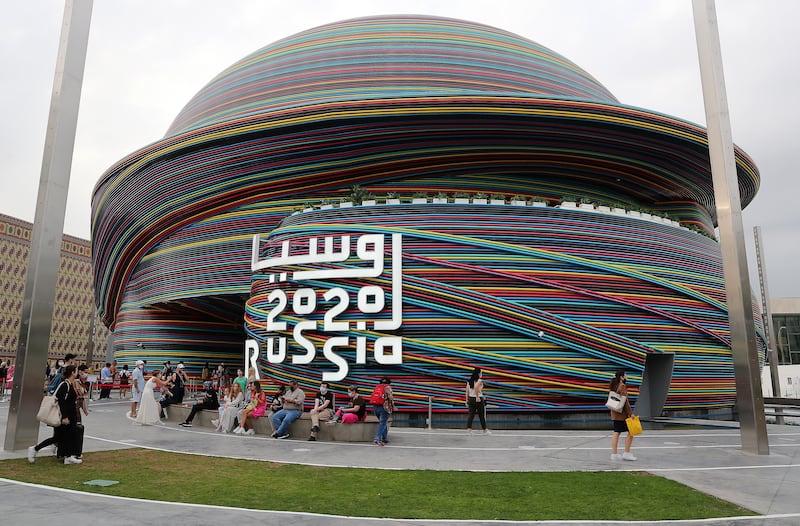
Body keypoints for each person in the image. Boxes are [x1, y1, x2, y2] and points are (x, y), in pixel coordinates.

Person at [29, 364, 83, 465]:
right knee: (58, 437)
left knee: (65, 436)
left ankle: (68, 456)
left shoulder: (70, 384)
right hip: (65, 416)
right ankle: (35, 449)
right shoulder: (64, 385)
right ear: (72, 373)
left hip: (70, 415)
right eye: (76, 371)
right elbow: (62, 401)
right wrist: (65, 416)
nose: (77, 373)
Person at [609, 370, 636, 461]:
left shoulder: (613, 385)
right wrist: (630, 413)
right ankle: (627, 453)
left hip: (615, 412)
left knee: (616, 432)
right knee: (632, 431)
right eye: (625, 375)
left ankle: (614, 454)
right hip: (622, 414)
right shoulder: (622, 386)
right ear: (621, 377)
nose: (626, 376)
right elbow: (625, 402)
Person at [465, 368, 491, 435]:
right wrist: (477, 397)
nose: (481, 374)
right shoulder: (479, 380)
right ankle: (485, 430)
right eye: (481, 373)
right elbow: (476, 387)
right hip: (478, 399)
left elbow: (467, 391)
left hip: (471, 398)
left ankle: (469, 430)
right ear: (478, 373)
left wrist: (466, 400)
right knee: (481, 415)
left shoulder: (469, 381)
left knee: (471, 415)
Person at [371, 377, 394, 446]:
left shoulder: (377, 387)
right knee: (383, 423)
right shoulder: (388, 387)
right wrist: (393, 406)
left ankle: (385, 438)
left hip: (375, 407)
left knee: (383, 422)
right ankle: (377, 439)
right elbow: (391, 398)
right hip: (384, 408)